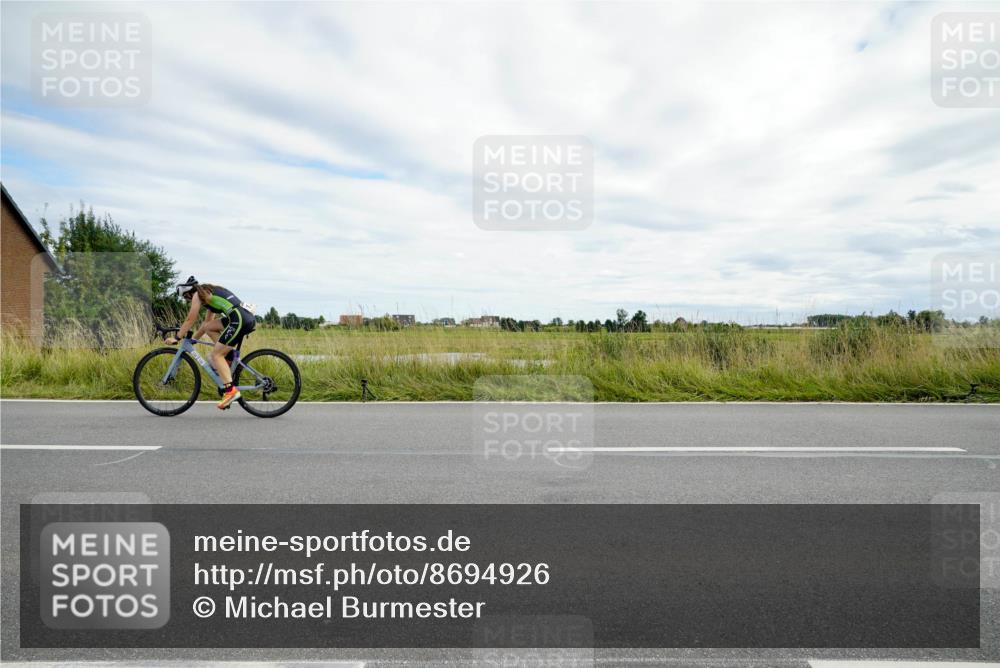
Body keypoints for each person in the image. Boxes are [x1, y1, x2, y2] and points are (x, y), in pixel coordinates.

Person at [165, 276, 256, 409]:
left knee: (216, 356)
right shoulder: (208, 295)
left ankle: (230, 392)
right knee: (210, 328)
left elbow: (191, 319)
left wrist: (177, 337)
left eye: (185, 297)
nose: (187, 300)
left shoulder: (197, 295)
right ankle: (228, 356)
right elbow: (206, 325)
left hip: (239, 319)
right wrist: (193, 339)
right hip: (242, 317)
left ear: (189, 292)